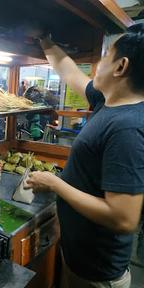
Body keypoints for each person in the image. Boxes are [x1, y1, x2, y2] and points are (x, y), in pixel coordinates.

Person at [25, 24, 144, 288]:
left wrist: (55, 184)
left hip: (98, 275)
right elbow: (69, 72)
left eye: (105, 55)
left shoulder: (128, 128)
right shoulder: (108, 102)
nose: (97, 63)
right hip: (81, 260)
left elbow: (124, 218)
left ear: (121, 66)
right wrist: (45, 40)